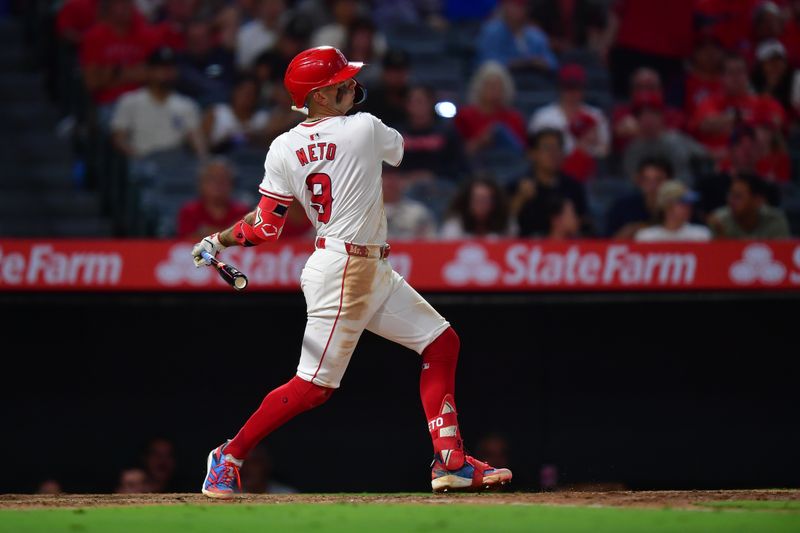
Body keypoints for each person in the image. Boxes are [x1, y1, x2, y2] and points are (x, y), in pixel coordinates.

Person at [192, 46, 512, 497]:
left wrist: (217, 240)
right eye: (341, 81)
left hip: (364, 266)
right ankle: (229, 454)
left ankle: (451, 462)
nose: (351, 86)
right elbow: (398, 150)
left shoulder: (283, 146)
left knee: (441, 342)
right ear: (320, 95)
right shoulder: (363, 127)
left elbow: (265, 226)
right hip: (345, 268)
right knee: (313, 388)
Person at [111, 47, 206, 158]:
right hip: (143, 161)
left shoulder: (187, 105)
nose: (166, 72)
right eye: (161, 67)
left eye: (170, 67)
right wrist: (135, 157)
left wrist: (203, 160)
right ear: (149, 71)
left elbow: (196, 140)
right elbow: (118, 139)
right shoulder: (129, 101)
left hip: (175, 162)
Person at [689, 54, 786, 160]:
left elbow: (776, 123)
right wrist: (741, 118)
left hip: (753, 162)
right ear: (721, 77)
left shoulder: (765, 102)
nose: (736, 77)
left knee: (764, 135)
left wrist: (727, 122)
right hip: (713, 160)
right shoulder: (710, 102)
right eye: (731, 73)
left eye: (740, 72)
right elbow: (706, 125)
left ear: (747, 76)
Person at [528, 64, 610, 181]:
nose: (572, 93)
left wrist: (590, 143)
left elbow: (603, 152)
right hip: (551, 172)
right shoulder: (543, 116)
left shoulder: (596, 115)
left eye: (576, 87)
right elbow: (534, 152)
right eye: (567, 87)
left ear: (583, 88)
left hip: (588, 173)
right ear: (559, 88)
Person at [80, 0, 160, 113]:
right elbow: (92, 82)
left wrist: (115, 72)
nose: (125, 8)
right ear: (108, 8)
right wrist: (135, 72)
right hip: (111, 103)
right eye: (119, 4)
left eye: (128, 3)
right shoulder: (94, 37)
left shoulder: (148, 34)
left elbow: (158, 74)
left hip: (145, 100)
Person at [621, 90, 708, 185]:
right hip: (647, 195)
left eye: (653, 113)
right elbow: (633, 179)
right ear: (637, 119)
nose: (648, 118)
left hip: (681, 191)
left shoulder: (676, 138)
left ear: (661, 116)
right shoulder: (633, 148)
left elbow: (706, 155)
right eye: (642, 114)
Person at [515, 129, 589, 237]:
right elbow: (502, 222)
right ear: (532, 153)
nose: (553, 154)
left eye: (558, 148)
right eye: (547, 148)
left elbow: (583, 220)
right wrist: (520, 199)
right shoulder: (518, 185)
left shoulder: (573, 187)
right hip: (525, 247)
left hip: (563, 247)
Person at [454, 61, 527, 156]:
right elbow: (459, 153)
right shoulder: (464, 116)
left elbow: (525, 153)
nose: (494, 90)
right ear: (479, 88)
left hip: (510, 164)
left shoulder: (515, 118)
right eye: (490, 86)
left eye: (498, 86)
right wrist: (482, 140)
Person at [398, 85, 468, 182]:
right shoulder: (396, 134)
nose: (417, 106)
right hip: (403, 185)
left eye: (420, 102)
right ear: (407, 105)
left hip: (440, 185)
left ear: (431, 103)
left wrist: (433, 175)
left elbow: (458, 165)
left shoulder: (447, 133)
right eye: (412, 102)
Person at [177, 158, 251, 239]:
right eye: (212, 178)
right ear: (201, 184)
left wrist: (207, 233)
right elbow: (184, 243)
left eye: (223, 179)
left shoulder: (243, 212)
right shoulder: (189, 211)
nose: (218, 183)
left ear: (232, 184)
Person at [476, 0, 557, 71]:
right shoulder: (491, 32)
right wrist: (519, 63)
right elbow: (486, 62)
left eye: (521, 6)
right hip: (505, 81)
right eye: (514, 6)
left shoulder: (536, 35)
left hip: (534, 79)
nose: (518, 10)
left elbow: (553, 63)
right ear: (504, 7)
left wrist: (540, 62)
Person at [176, 17, 236, 107]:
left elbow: (226, 90)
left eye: (201, 38)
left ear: (210, 39)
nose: (197, 43)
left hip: (217, 109)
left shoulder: (223, 57)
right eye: (193, 39)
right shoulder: (180, 61)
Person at [606, 156, 672, 239]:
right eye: (646, 179)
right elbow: (607, 243)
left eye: (658, 179)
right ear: (637, 180)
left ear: (669, 181)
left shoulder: (679, 206)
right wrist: (629, 231)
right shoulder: (622, 206)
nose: (652, 185)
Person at [709, 173, 791, 238]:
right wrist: (721, 235)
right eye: (730, 195)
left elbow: (782, 254)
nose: (731, 201)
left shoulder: (775, 220)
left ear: (758, 201)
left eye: (738, 196)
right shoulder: (719, 221)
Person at [203, 76, 269, 153]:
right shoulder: (216, 112)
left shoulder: (262, 118)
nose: (246, 97)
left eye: (250, 93)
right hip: (220, 158)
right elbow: (203, 146)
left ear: (256, 97)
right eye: (243, 92)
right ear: (235, 92)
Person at [634, 181, 712, 242]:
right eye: (683, 203)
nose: (689, 208)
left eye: (689, 204)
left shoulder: (701, 235)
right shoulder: (646, 237)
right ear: (667, 206)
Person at [441, 178, 515, 238]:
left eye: (486, 200)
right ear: (467, 201)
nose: (481, 204)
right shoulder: (454, 224)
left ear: (495, 201)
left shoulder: (506, 223)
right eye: (477, 199)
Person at [382, 168, 437, 239]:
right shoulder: (365, 213)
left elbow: (431, 243)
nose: (391, 182)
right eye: (385, 177)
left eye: (395, 177)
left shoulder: (419, 213)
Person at [236, 0, 285, 69]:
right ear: (261, 6)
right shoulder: (246, 33)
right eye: (270, 4)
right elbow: (243, 65)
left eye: (277, 3)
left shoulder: (287, 30)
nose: (273, 8)